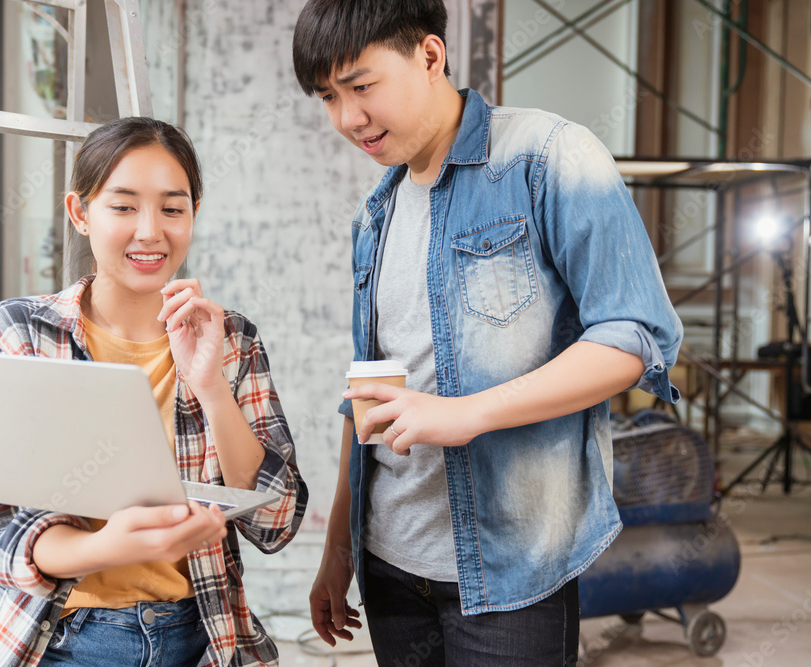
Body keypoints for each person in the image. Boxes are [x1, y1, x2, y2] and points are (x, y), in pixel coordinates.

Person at [292, 1, 683, 664]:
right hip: (390, 565)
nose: (346, 118)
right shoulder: (377, 213)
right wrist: (337, 549)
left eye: (361, 87)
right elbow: (367, 392)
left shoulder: (548, 156)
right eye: (328, 96)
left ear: (431, 56)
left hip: (511, 572)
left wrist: (468, 413)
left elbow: (633, 334)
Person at [0, 117, 307, 667]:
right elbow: (19, 534)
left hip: (201, 635)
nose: (150, 232)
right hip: (63, 639)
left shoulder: (231, 338)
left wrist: (211, 385)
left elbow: (277, 522)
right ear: (80, 213)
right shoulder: (23, 332)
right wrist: (113, 546)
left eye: (173, 208)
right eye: (123, 207)